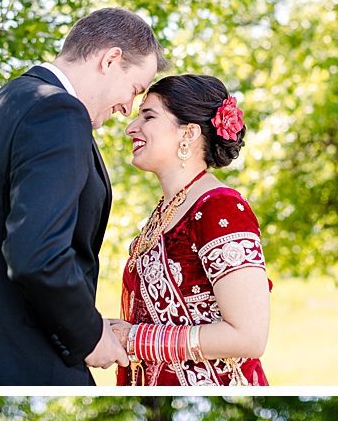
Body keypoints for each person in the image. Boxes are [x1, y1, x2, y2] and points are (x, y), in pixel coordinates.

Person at [0, 7, 159, 386]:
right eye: (135, 89)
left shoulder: (8, 102)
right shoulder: (57, 112)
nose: (128, 108)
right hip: (24, 358)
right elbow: (35, 254)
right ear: (111, 59)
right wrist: (90, 335)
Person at [109, 73, 271, 385]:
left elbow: (249, 336)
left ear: (190, 133)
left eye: (149, 115)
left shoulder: (219, 208)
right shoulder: (166, 211)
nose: (131, 127)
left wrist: (136, 339)